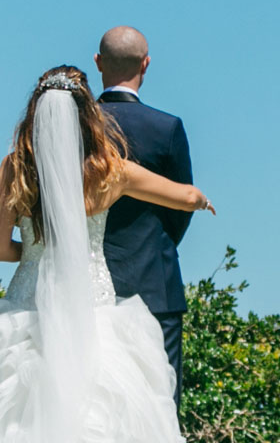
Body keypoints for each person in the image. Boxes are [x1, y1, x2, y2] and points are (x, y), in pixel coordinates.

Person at [0, 65, 213, 443]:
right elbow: (186, 196)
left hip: (22, 314)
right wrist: (202, 200)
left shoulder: (13, 168)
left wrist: (33, 256)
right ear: (87, 117)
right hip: (94, 311)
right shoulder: (111, 171)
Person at [94, 26, 193, 407]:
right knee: (159, 407)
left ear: (99, 63)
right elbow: (180, 208)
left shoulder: (76, 128)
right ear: (146, 65)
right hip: (156, 286)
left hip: (83, 286)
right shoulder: (166, 128)